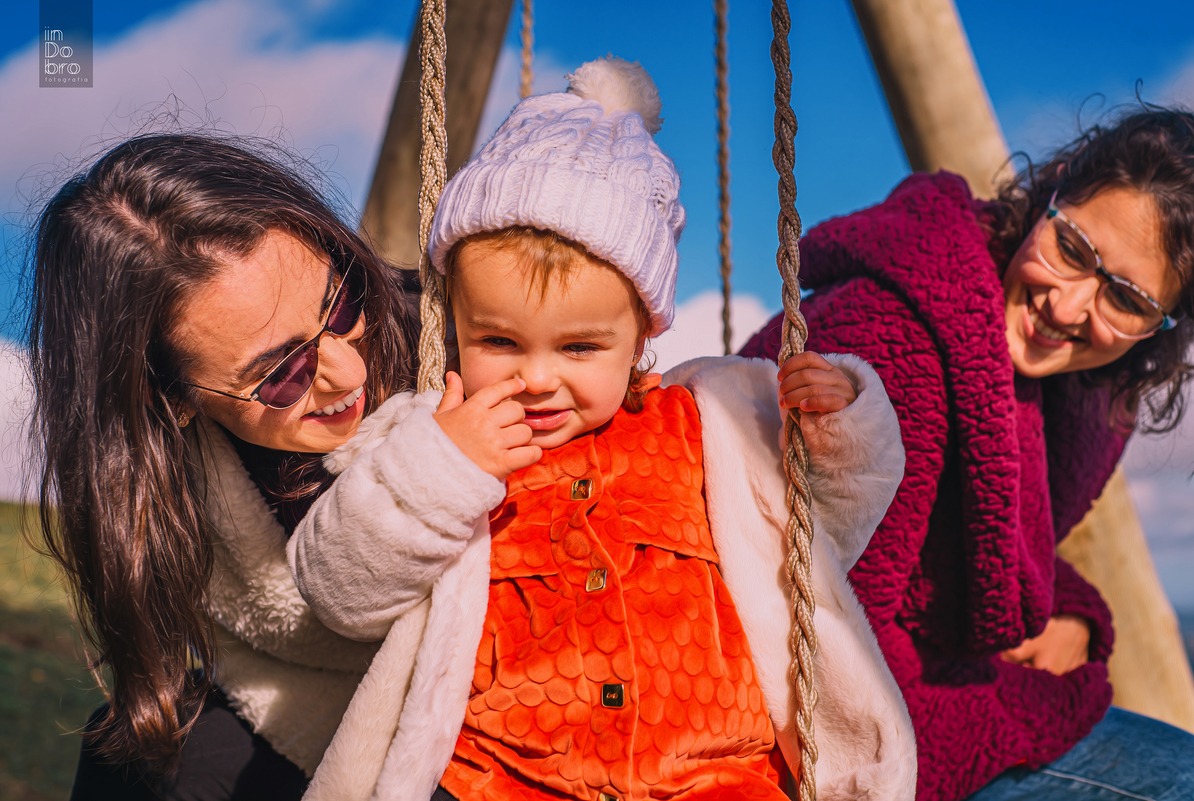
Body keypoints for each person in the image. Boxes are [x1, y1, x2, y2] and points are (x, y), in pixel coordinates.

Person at [287, 57, 916, 801]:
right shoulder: (438, 439)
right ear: (456, 326)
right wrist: (445, 468)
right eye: (501, 343)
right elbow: (337, 588)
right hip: (506, 776)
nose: (540, 376)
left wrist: (840, 421)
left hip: (715, 773)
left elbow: (831, 521)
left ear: (640, 337)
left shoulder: (711, 421)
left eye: (580, 348)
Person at [740, 107, 1194, 800]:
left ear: (1163, 325)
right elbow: (835, 659)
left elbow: (987, 543)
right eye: (1074, 248)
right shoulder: (897, 343)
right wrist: (1045, 702)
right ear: (1054, 193)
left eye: (1127, 298)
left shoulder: (1079, 394)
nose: (1070, 306)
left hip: (900, 684)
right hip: (791, 715)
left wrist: (1075, 614)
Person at [26, 132, 421, 800]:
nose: (347, 370)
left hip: (505, 683)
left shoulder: (463, 332)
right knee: (137, 759)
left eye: (341, 299)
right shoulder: (168, 488)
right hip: (300, 706)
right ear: (174, 400)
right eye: (283, 372)